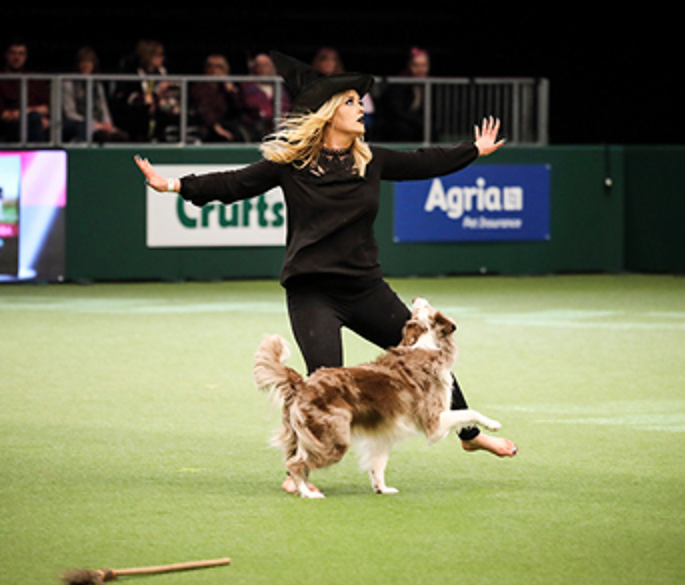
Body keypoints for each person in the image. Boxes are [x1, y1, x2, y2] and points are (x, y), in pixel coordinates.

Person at [134, 51, 516, 494]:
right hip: (313, 292)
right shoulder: (292, 165)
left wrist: (473, 150)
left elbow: (424, 162)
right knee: (325, 386)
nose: (361, 108)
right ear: (329, 112)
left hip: (365, 288)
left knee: (429, 359)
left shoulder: (371, 160)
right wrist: (175, 185)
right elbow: (236, 183)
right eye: (352, 101)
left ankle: (470, 436)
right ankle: (297, 465)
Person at [112, 40, 180, 142]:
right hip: (136, 114)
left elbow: (175, 89)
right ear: (148, 56)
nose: (161, 58)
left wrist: (167, 90)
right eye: (158, 55)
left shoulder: (164, 71)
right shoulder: (132, 72)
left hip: (160, 112)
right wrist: (146, 98)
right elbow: (124, 96)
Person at [0, 39, 50, 142]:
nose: (17, 58)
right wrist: (33, 116)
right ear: (6, 55)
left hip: (39, 122)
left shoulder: (34, 79)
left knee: (75, 126)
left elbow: (47, 108)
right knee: (34, 120)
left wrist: (23, 112)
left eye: (21, 54)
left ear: (25, 57)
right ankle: (39, 155)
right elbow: (4, 115)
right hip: (10, 128)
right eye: (13, 53)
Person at [61, 46, 127, 143]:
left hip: (98, 123)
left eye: (89, 62)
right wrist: (94, 124)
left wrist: (107, 123)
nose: (86, 66)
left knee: (121, 136)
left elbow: (102, 106)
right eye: (83, 62)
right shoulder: (68, 83)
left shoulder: (96, 84)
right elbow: (70, 113)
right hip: (79, 123)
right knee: (101, 136)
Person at [189, 53, 246, 142]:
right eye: (210, 66)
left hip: (228, 123)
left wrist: (231, 92)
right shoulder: (200, 87)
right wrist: (215, 126)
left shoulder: (226, 87)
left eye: (218, 67)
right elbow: (204, 109)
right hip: (208, 125)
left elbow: (238, 108)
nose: (214, 70)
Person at [377, 47, 430, 142]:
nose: (420, 70)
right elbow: (397, 112)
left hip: (414, 124)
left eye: (423, 65)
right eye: (416, 65)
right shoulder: (399, 85)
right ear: (409, 66)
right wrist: (417, 122)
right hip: (397, 125)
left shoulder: (429, 86)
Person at [239, 52, 291, 141]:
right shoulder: (248, 88)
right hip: (256, 125)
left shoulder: (279, 88)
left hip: (279, 125)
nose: (264, 69)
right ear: (254, 68)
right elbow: (252, 107)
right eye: (260, 66)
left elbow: (286, 107)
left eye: (267, 65)